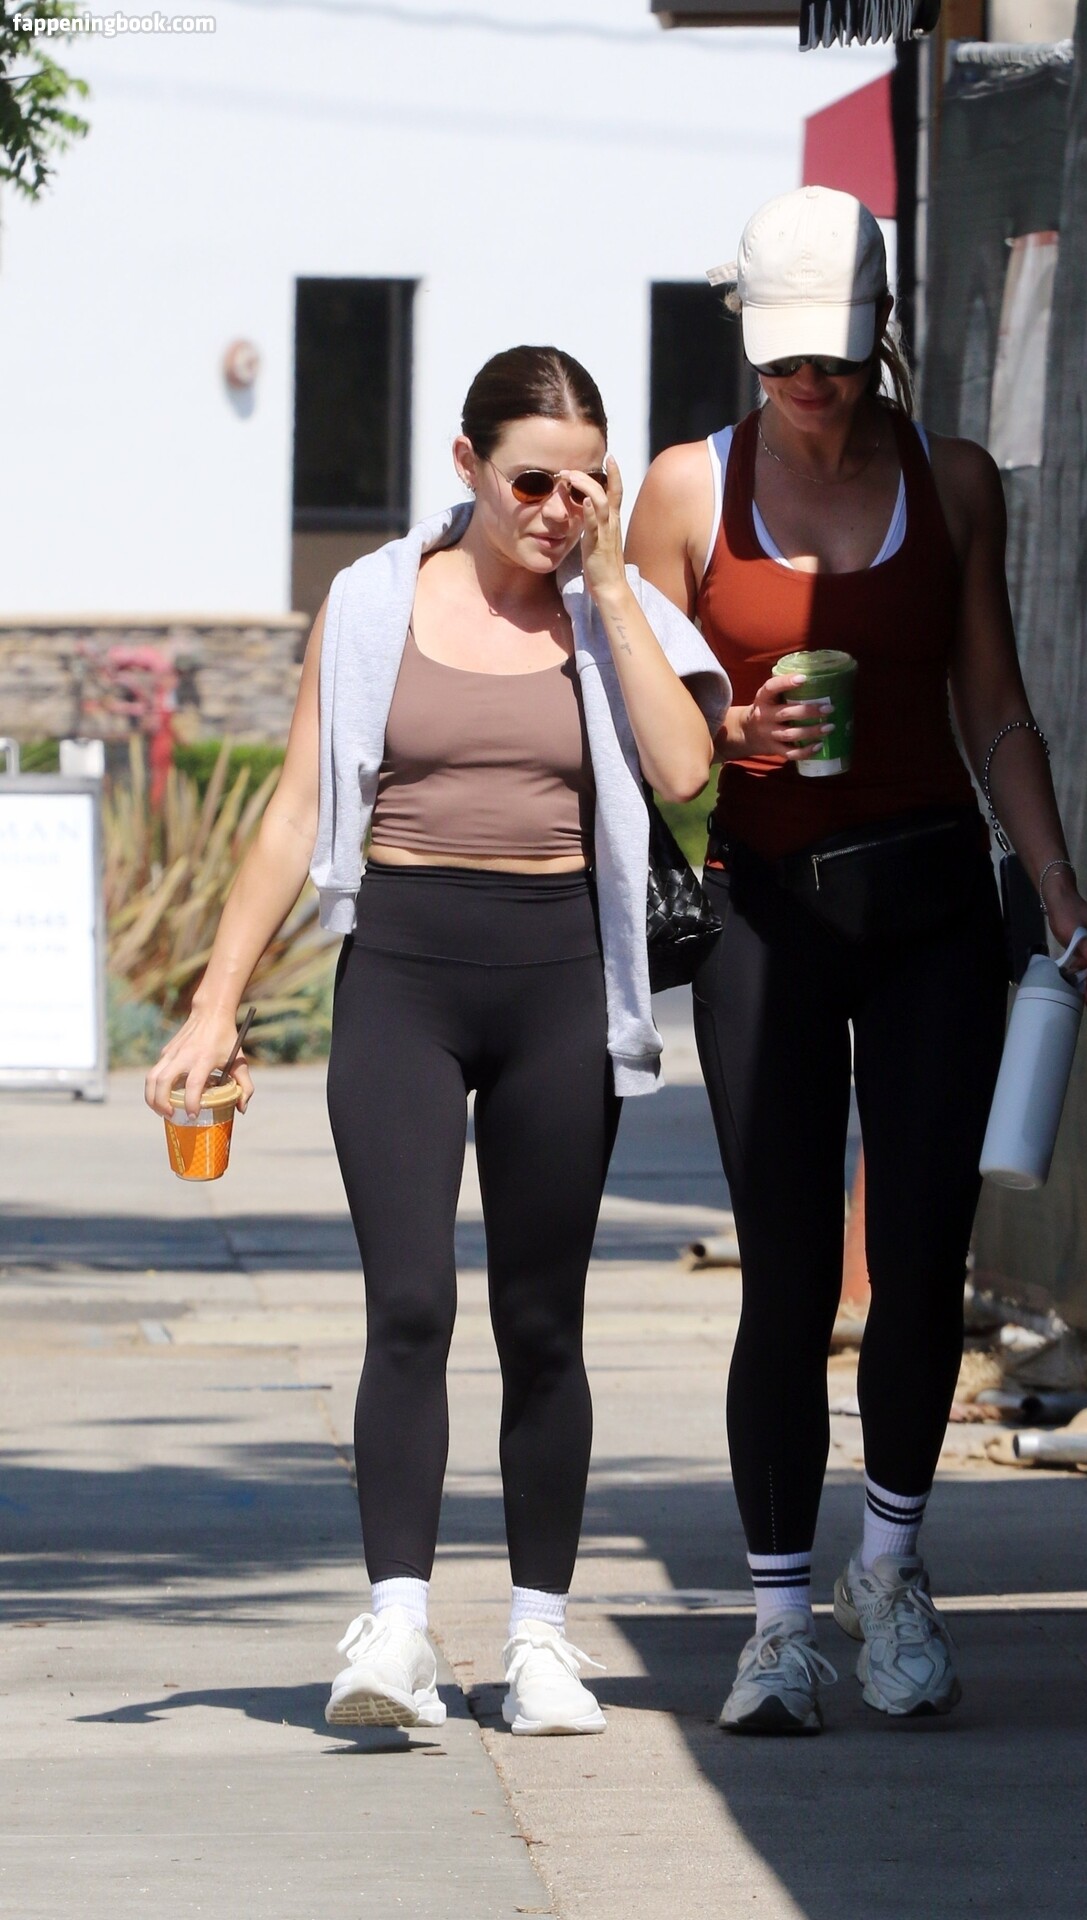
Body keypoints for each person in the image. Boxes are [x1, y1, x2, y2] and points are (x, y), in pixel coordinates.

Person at [145, 345, 729, 1738]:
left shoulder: (612, 604)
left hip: (558, 983)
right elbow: (296, 808)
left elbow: (686, 770)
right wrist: (216, 1002)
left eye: (586, 484)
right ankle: (397, 1626)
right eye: (532, 481)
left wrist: (610, 590)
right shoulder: (371, 599)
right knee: (408, 1306)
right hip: (402, 974)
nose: (559, 509)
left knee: (542, 1321)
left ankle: (540, 1640)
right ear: (467, 465)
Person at [626, 187, 1087, 1733]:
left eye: (834, 358)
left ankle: (893, 1570)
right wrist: (726, 733)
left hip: (928, 907)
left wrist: (1057, 887)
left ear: (879, 333)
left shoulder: (951, 481)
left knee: (920, 1262)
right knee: (784, 1273)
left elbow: (995, 706)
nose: (810, 385)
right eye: (784, 359)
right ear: (749, 343)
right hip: (762, 911)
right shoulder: (687, 490)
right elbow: (634, 724)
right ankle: (778, 1623)